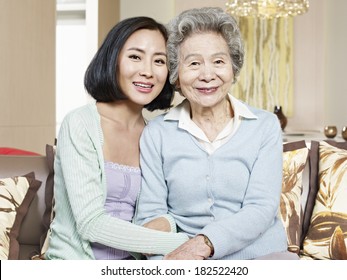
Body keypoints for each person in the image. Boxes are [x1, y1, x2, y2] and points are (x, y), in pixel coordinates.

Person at [134, 7, 298, 260]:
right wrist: (165, 262)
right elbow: (153, 213)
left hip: (259, 256)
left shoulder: (265, 126)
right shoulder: (157, 134)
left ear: (233, 69)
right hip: (185, 260)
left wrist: (203, 244)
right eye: (194, 63)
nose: (207, 75)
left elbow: (261, 208)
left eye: (219, 62)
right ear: (177, 76)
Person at [45, 16, 189, 260]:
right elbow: (91, 222)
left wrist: (167, 222)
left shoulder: (159, 134)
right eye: (135, 56)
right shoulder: (80, 123)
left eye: (159, 61)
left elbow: (174, 208)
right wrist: (183, 242)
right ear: (113, 61)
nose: (147, 71)